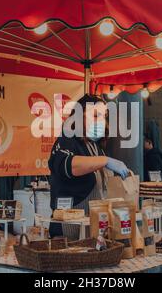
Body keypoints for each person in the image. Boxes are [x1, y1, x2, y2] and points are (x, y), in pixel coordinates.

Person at [48, 94, 130, 240]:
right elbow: (69, 166)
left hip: (92, 229)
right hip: (67, 231)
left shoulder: (95, 146)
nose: (101, 121)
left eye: (104, 116)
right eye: (95, 115)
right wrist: (106, 161)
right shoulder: (67, 140)